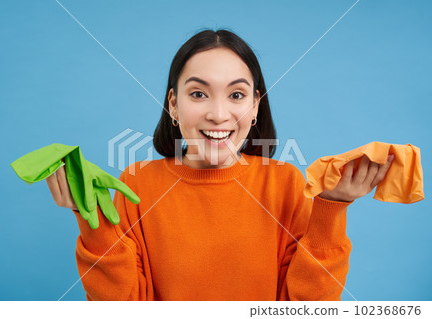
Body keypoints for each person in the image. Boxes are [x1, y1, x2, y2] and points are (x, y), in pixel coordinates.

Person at [45, 29, 394, 301]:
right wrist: (94, 221)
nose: (218, 113)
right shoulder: (135, 185)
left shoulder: (286, 184)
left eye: (237, 95)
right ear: (174, 105)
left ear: (255, 106)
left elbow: (306, 307)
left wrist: (330, 209)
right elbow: (120, 306)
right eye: (198, 93)